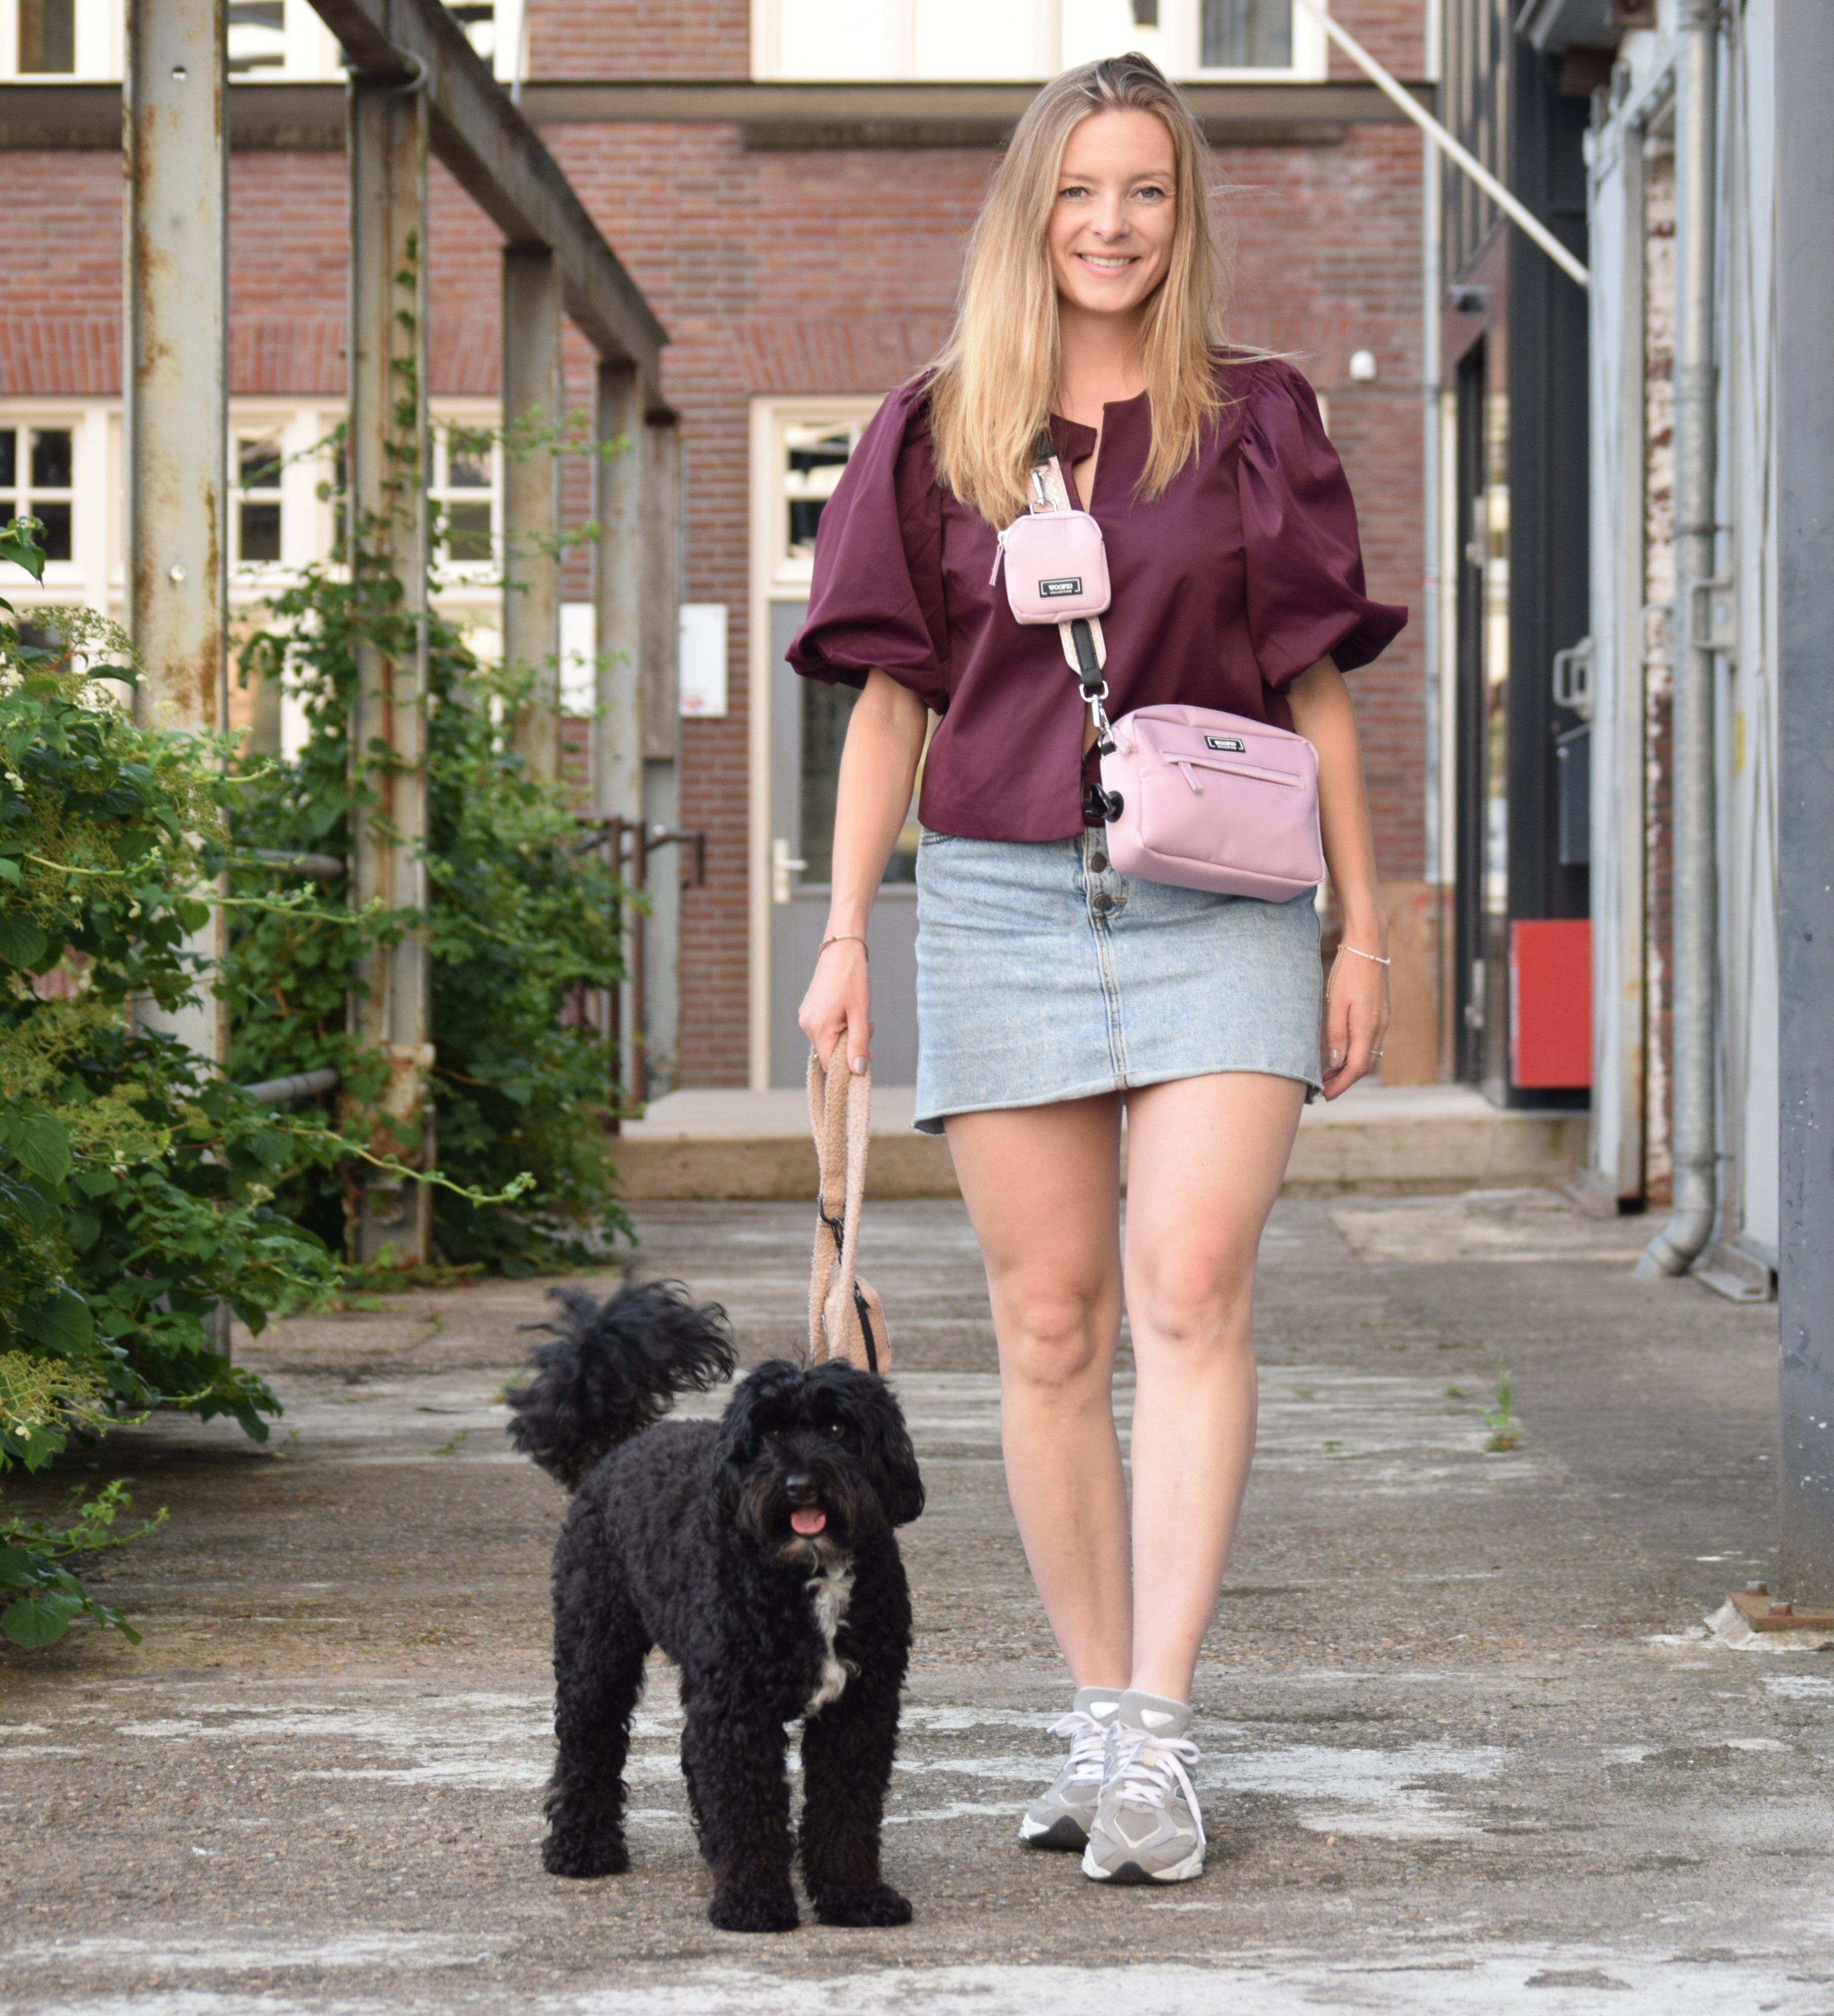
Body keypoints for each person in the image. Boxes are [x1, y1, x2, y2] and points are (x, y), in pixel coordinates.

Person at [786, 51, 1406, 1886]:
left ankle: (1158, 1734)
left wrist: (1363, 932)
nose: (1112, 224)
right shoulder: (936, 428)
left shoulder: (1256, 418)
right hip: (997, 904)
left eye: (1145, 189)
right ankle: (1092, 1705)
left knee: (1190, 1286)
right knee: (1051, 1330)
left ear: (1181, 210)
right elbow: (889, 701)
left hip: (1222, 900)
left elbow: (1315, 688)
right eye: (1079, 190)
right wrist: (846, 933)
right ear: (1030, 209)